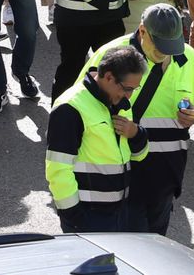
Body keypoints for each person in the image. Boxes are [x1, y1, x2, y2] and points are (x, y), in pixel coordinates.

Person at [81, 5, 194, 234]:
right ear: (142, 31)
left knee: (156, 242)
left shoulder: (189, 58)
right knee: (133, 241)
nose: (165, 53)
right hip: (122, 171)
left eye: (172, 45)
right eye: (160, 47)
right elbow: (80, 106)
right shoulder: (111, 55)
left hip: (165, 176)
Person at [46, 44, 149, 232]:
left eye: (134, 89)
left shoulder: (119, 101)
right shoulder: (70, 108)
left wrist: (135, 134)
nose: (129, 95)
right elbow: (58, 169)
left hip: (119, 212)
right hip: (88, 217)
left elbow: (137, 155)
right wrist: (75, 218)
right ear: (108, 76)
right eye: (127, 88)